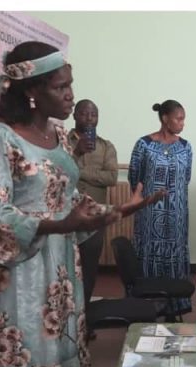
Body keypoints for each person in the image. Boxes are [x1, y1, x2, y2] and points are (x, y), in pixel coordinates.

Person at [0, 41, 164, 367]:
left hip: (59, 275)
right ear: (31, 91)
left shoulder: (61, 137)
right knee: (24, 360)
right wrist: (59, 225)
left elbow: (70, 201)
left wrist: (119, 210)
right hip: (14, 281)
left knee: (59, 356)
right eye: (60, 86)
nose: (70, 95)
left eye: (70, 84)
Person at [129, 99, 193, 314]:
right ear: (165, 119)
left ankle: (175, 305)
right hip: (149, 214)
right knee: (149, 253)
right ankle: (147, 306)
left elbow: (186, 178)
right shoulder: (144, 145)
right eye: (178, 119)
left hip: (177, 214)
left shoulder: (185, 147)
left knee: (175, 252)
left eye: (183, 119)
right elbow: (135, 178)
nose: (182, 123)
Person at [69, 99, 118, 320]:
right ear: (74, 115)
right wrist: (75, 155)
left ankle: (84, 319)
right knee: (65, 269)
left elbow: (111, 177)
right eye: (84, 113)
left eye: (93, 114)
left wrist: (78, 172)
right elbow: (57, 171)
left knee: (89, 269)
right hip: (65, 216)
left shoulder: (106, 146)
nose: (89, 118)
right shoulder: (61, 142)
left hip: (95, 217)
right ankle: (66, 319)